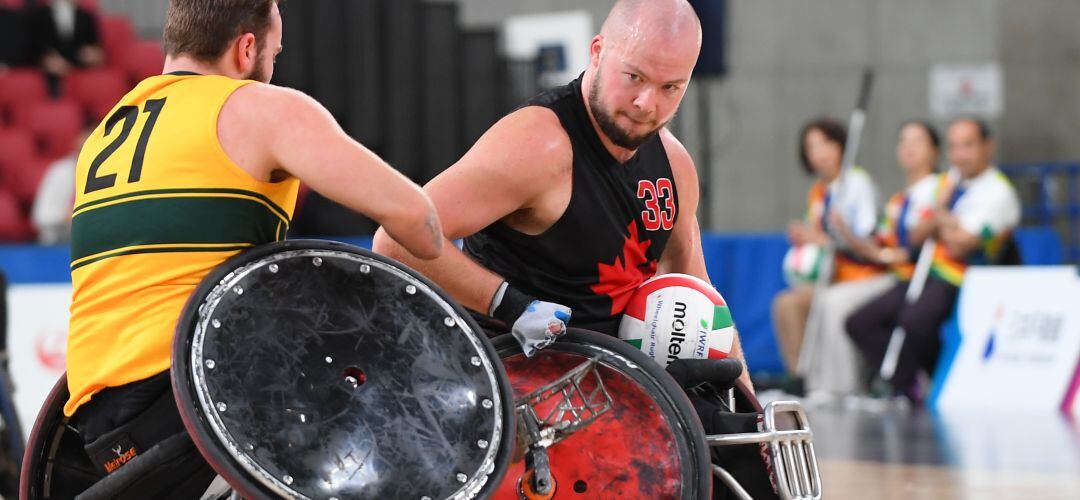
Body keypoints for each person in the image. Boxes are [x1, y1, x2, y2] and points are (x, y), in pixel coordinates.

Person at [64, 1, 441, 497]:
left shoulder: (108, 129)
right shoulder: (258, 107)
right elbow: (421, 226)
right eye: (274, 52)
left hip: (100, 429)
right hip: (190, 404)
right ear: (246, 49)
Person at [373, 0, 755, 388]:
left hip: (616, 389)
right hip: (509, 382)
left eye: (670, 87)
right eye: (634, 77)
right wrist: (508, 304)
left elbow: (700, 295)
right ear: (597, 52)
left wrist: (753, 414)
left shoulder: (674, 165)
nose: (646, 104)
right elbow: (395, 237)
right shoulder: (539, 147)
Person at [846, 118, 1021, 403]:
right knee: (861, 322)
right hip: (927, 273)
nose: (960, 155)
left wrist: (939, 217)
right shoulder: (950, 181)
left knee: (913, 321)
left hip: (964, 277)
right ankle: (908, 382)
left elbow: (960, 244)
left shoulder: (997, 192)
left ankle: (920, 384)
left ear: (988, 147)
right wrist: (943, 217)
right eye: (954, 147)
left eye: (968, 145)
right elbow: (916, 236)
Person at [807, 121, 942, 398]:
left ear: (935, 150)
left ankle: (846, 388)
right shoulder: (898, 201)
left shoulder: (941, 190)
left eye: (918, 141)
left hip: (922, 278)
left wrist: (889, 254)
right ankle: (823, 385)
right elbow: (879, 248)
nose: (908, 148)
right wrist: (845, 233)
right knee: (845, 313)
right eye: (903, 141)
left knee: (836, 304)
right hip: (897, 274)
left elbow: (908, 249)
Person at [771, 117, 882, 390]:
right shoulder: (819, 193)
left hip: (863, 276)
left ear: (841, 146)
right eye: (812, 147)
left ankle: (840, 384)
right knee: (786, 303)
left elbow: (868, 242)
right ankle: (800, 377)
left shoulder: (857, 185)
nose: (819, 153)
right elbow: (819, 242)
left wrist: (823, 239)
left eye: (825, 144)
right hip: (832, 276)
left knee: (826, 303)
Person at [27, 0, 104, 91]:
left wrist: (92, 54)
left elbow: (96, 48)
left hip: (80, 70)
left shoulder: (86, 17)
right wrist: (44, 60)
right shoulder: (36, 16)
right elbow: (31, 47)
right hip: (48, 75)